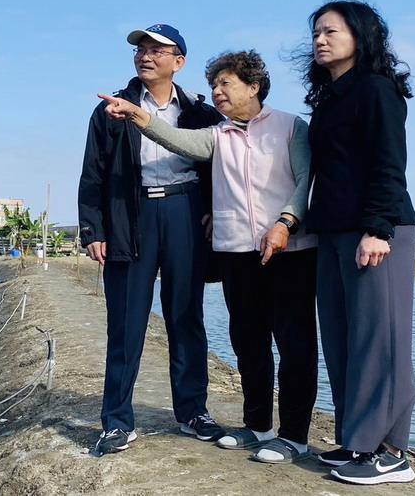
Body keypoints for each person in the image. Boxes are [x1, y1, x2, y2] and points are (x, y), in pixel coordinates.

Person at [100, 50, 318, 465]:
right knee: (248, 342)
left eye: (226, 84)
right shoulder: (217, 135)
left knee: (295, 344)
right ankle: (258, 426)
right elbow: (178, 141)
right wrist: (139, 116)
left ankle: (293, 437)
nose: (217, 92)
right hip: (237, 250)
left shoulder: (291, 126)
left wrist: (286, 222)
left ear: (253, 87)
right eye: (214, 85)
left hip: (289, 250)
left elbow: (306, 180)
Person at [78, 23, 226, 456]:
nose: (146, 55)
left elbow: (220, 166)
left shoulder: (200, 111)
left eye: (158, 50)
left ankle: (193, 412)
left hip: (184, 213)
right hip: (131, 215)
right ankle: (117, 421)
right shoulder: (112, 110)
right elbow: (93, 174)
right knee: (125, 323)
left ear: (179, 62)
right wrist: (94, 230)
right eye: (141, 49)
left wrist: (215, 213)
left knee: (186, 316)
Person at [298, 0, 415, 485]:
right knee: (343, 339)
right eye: (316, 34)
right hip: (332, 232)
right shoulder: (331, 97)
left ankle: (391, 452)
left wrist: (378, 228)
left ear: (361, 37)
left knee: (380, 341)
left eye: (331, 31)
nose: (320, 40)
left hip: (377, 230)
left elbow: (390, 164)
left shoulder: (377, 89)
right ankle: (357, 440)